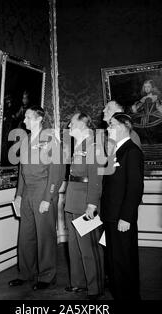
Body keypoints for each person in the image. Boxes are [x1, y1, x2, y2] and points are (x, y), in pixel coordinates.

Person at [9, 106, 65, 290]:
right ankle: (26, 273)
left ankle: (47, 276)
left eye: (28, 117)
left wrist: (48, 198)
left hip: (43, 190)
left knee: (45, 236)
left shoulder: (50, 140)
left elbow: (57, 173)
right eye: (24, 117)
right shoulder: (25, 141)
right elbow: (22, 172)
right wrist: (18, 196)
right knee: (25, 236)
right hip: (27, 193)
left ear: (39, 119)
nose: (24, 121)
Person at [100, 112, 144, 300]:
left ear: (123, 126)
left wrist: (126, 217)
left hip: (121, 218)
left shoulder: (132, 151)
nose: (108, 128)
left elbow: (134, 188)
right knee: (114, 261)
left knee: (124, 262)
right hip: (110, 215)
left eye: (111, 125)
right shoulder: (116, 151)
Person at [64, 112, 105, 300]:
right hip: (72, 201)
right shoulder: (79, 145)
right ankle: (78, 282)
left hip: (85, 203)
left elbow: (96, 180)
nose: (69, 126)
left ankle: (95, 287)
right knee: (74, 246)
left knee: (89, 247)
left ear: (82, 124)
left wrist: (92, 204)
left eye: (72, 123)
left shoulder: (94, 146)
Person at [129, 79, 162, 145]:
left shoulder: (157, 97)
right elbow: (137, 109)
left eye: (148, 87)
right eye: (145, 87)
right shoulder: (143, 98)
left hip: (154, 116)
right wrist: (138, 107)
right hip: (144, 116)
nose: (147, 89)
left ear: (152, 87)